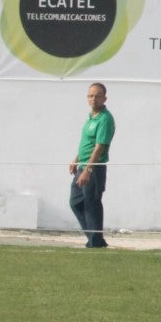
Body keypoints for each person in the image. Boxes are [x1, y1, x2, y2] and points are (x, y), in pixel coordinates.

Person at [68, 82, 115, 249]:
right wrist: (76, 159)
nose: (93, 99)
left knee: (91, 203)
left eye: (97, 96)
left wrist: (88, 169)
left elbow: (99, 146)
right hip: (83, 165)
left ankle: (95, 242)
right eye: (90, 95)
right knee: (75, 202)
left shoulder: (105, 118)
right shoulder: (91, 117)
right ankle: (95, 238)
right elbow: (86, 143)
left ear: (104, 98)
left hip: (94, 168)